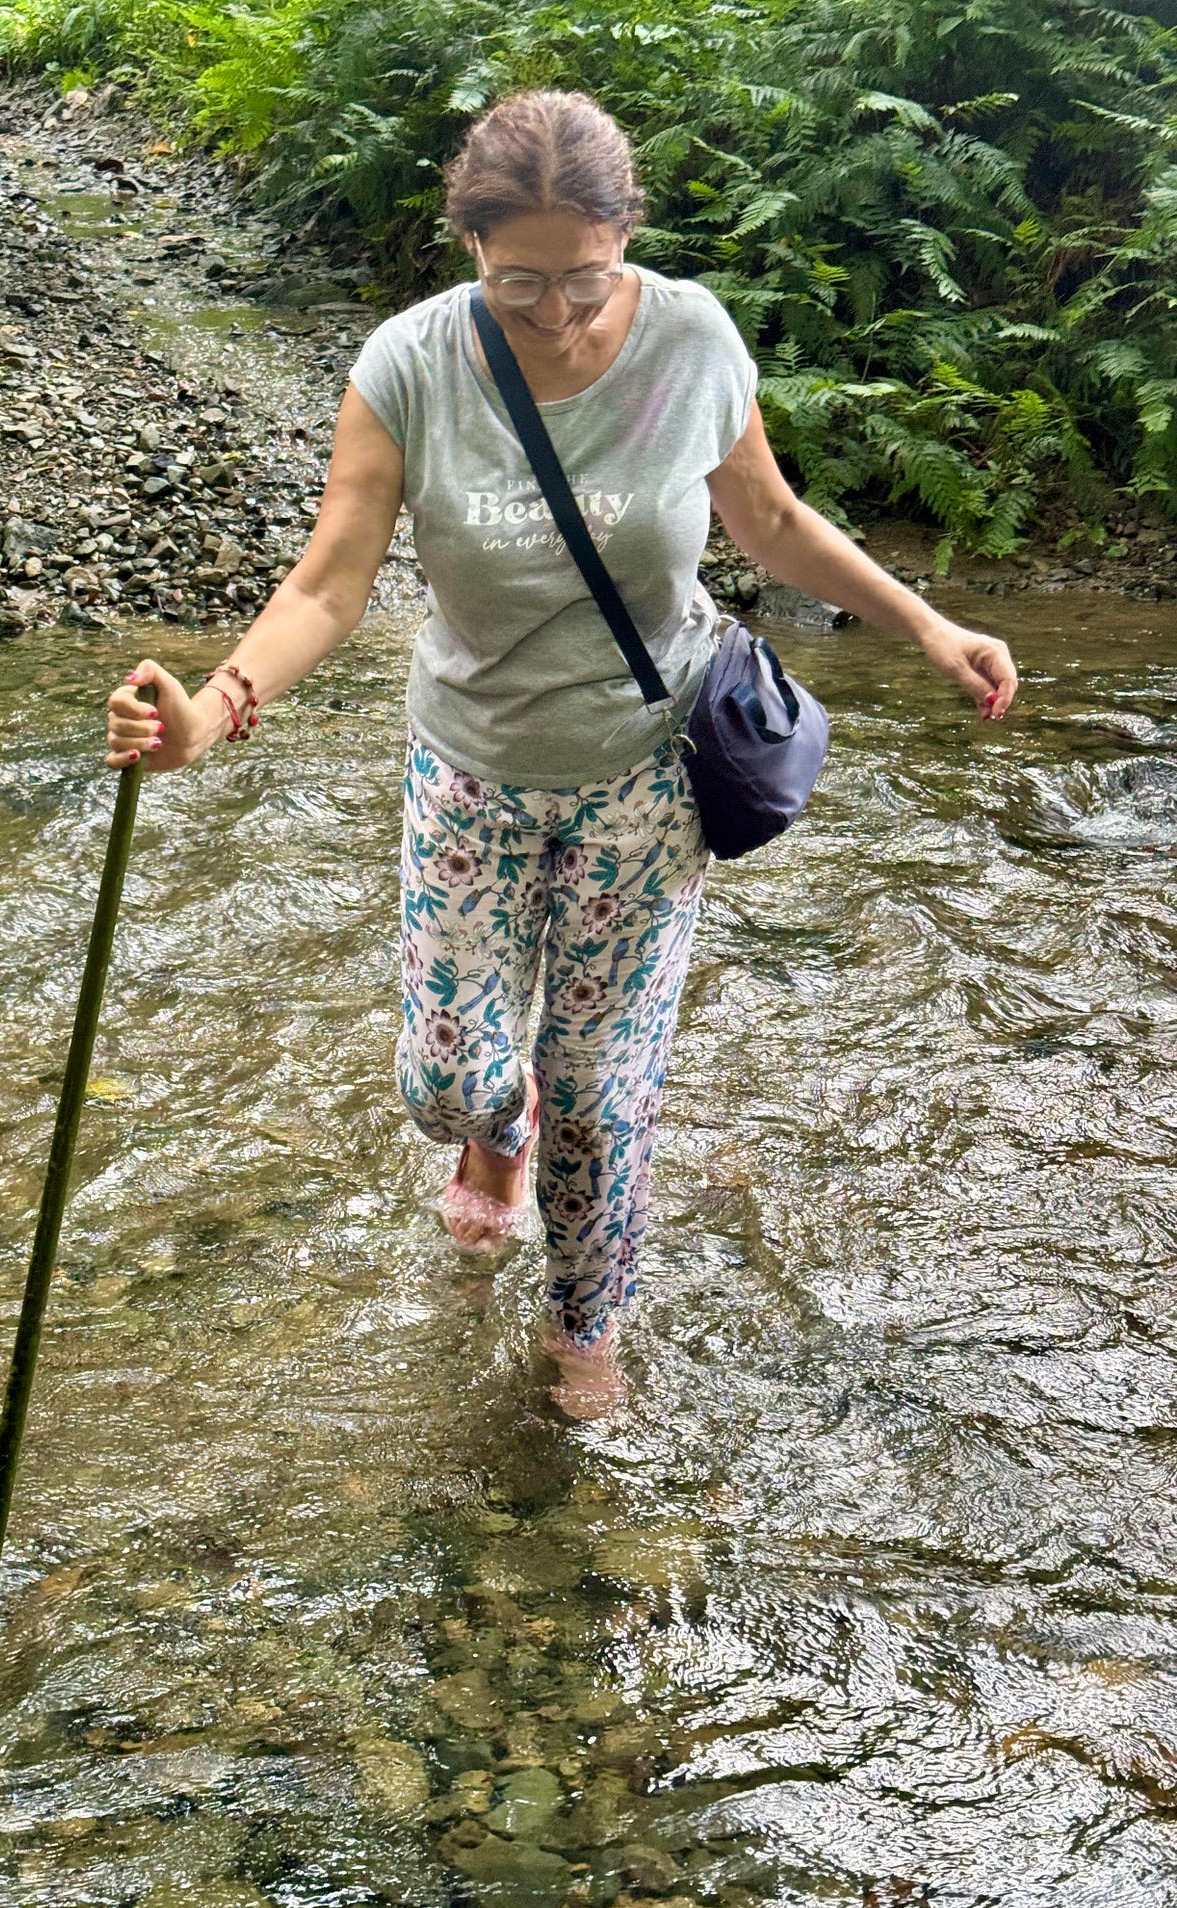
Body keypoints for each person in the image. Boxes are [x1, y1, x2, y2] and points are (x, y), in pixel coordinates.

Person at [105, 90, 1018, 1418]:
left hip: (646, 777)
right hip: (470, 770)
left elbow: (771, 521)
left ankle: (586, 1322)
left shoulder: (692, 340)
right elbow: (329, 585)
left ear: (624, 237)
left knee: (601, 1092)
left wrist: (930, 628)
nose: (554, 311)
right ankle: (496, 1132)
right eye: (518, 279)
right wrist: (209, 708)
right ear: (471, 249)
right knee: (449, 1084)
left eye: (583, 278)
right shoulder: (410, 367)